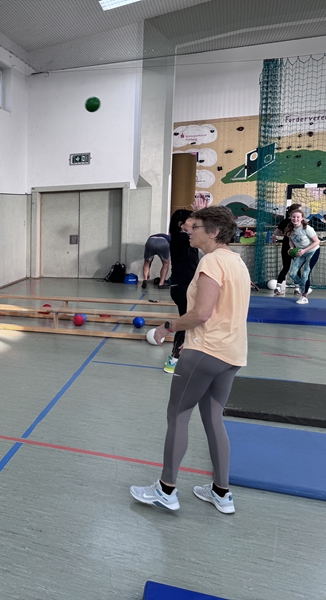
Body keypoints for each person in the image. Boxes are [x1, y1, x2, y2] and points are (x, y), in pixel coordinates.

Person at [130, 206, 250, 514]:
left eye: (195, 227)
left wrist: (166, 328)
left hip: (207, 352)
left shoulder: (212, 261)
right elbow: (222, 313)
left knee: (178, 415)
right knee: (213, 419)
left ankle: (166, 489)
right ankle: (221, 493)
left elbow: (202, 313)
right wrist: (192, 342)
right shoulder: (237, 261)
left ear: (213, 232)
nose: (189, 231)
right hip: (231, 353)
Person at [163, 208, 199, 374]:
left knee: (190, 322)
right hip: (182, 287)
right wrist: (202, 213)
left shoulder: (186, 238)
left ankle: (183, 356)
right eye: (191, 220)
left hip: (185, 286)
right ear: (180, 224)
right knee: (186, 323)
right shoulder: (180, 238)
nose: (194, 223)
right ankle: (174, 359)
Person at [285, 209, 320, 305]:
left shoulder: (307, 228)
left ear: (302, 218)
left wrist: (304, 250)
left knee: (305, 274)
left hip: (312, 251)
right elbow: (291, 240)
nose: (295, 219)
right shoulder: (289, 229)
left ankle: (304, 296)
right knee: (292, 273)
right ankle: (306, 288)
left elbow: (317, 241)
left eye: (298, 217)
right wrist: (291, 248)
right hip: (300, 252)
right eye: (293, 217)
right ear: (290, 217)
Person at [272, 203, 302, 296]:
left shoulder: (284, 221)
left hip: (286, 246)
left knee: (286, 267)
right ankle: (297, 289)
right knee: (296, 268)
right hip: (295, 247)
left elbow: (276, 232)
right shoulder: (298, 222)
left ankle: (277, 288)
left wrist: (285, 234)